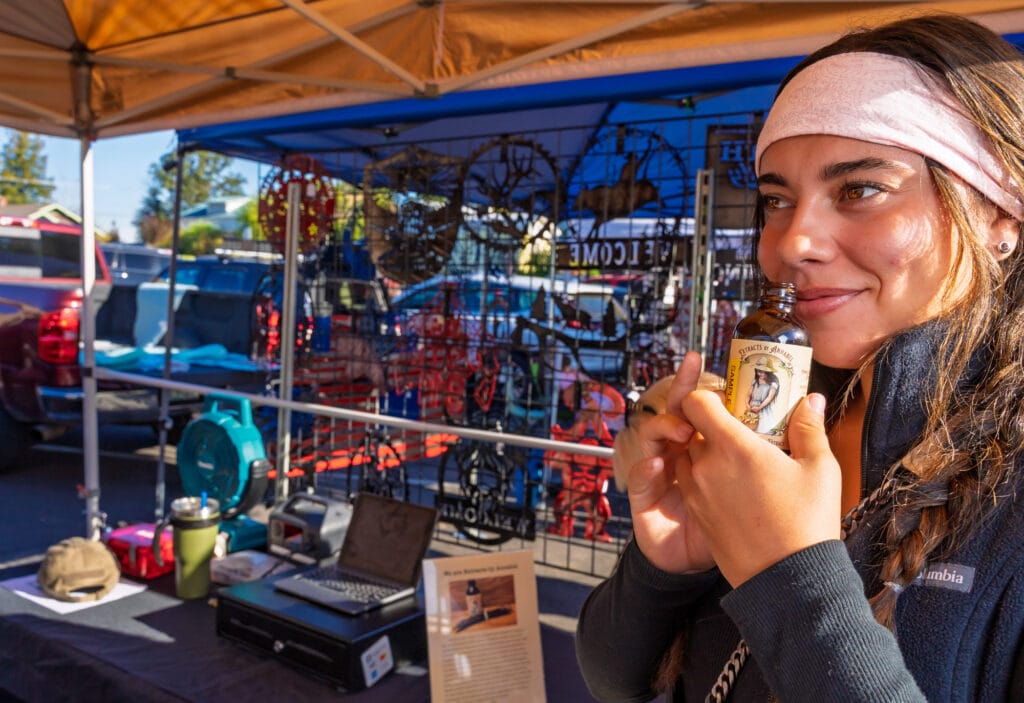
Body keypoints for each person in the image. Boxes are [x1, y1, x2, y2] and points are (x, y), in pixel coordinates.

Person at [575, 13, 1024, 702]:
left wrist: (788, 574)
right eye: (777, 199)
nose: (792, 242)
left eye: (859, 189)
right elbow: (613, 681)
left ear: (1000, 217)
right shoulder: (767, 424)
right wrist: (665, 566)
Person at [745, 363, 779, 433]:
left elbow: (769, 398)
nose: (759, 374)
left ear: (768, 372)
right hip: (751, 408)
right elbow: (748, 395)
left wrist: (759, 408)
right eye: (758, 371)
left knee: (761, 429)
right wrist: (747, 405)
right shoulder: (755, 381)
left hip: (763, 409)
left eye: (762, 372)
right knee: (748, 428)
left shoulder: (773, 384)